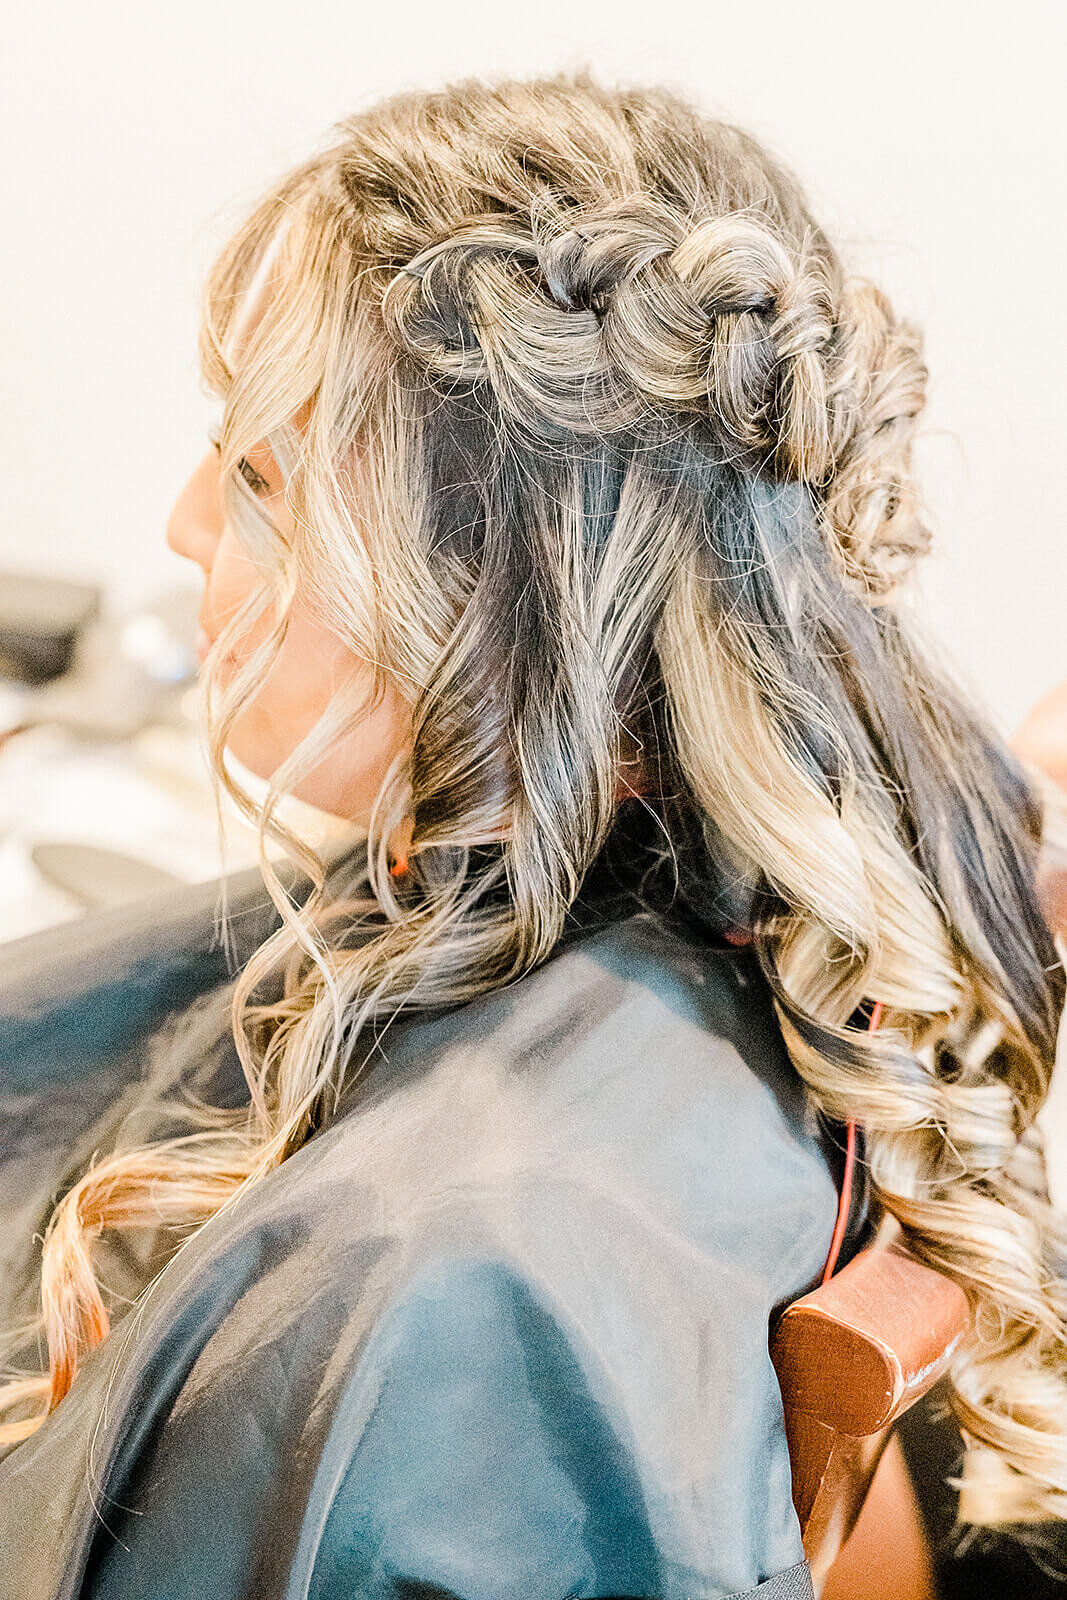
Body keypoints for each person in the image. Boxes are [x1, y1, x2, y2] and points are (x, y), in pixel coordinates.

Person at [1, 70, 1064, 1600]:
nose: (183, 523)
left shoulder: (439, 1263)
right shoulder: (725, 982)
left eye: (256, 478)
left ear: (502, 612)